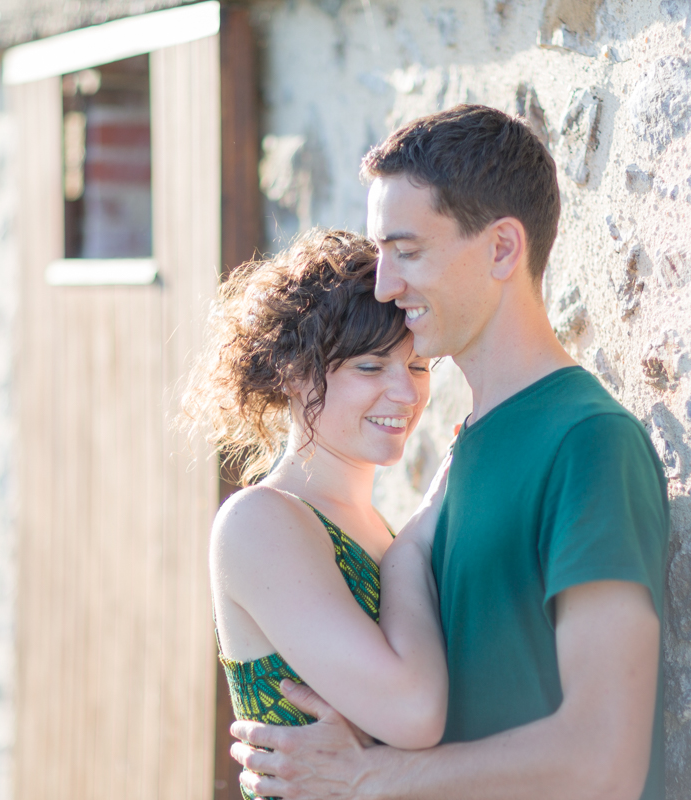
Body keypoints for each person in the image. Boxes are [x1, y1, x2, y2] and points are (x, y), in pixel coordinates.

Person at [229, 105, 671, 800]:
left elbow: (603, 760)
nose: (384, 284)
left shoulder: (586, 441)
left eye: (406, 251)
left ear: (501, 250)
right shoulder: (464, 457)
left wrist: (373, 773)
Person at [185, 229, 454, 800]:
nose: (406, 394)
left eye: (420, 366)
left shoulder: (374, 527)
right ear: (293, 372)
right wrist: (415, 546)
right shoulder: (260, 521)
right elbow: (414, 713)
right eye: (371, 367)